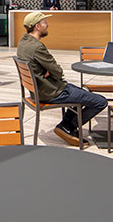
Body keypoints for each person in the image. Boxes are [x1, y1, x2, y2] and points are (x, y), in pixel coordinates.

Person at [17, 11, 107, 146]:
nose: (47, 25)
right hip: (51, 92)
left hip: (37, 91)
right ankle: (69, 127)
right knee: (100, 101)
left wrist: (47, 72)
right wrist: (49, 72)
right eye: (44, 23)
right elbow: (58, 72)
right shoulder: (37, 47)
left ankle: (65, 125)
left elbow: (49, 70)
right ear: (37, 26)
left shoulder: (22, 43)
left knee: (82, 93)